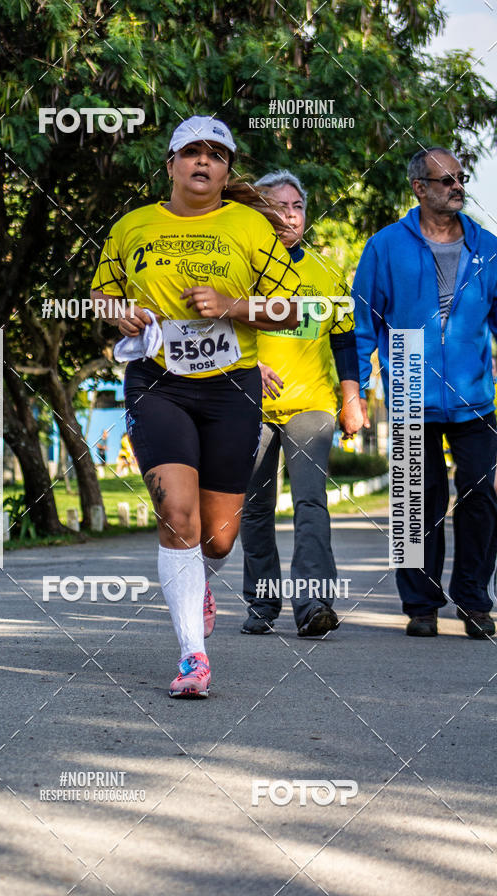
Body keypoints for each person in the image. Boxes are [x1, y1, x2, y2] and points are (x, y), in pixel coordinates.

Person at [90, 116, 302, 696]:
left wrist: (233, 304)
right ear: (171, 163)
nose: (202, 163)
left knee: (219, 538)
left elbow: (292, 311)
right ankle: (192, 656)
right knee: (176, 515)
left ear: (227, 169)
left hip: (232, 387)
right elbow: (100, 293)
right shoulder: (133, 227)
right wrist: (117, 313)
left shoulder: (251, 227)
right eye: (191, 153)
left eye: (216, 155)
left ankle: (198, 582)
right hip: (157, 382)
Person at [354, 147, 497, 639]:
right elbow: (362, 327)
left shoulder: (489, 247)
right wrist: (355, 393)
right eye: (445, 180)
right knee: (416, 501)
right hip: (412, 389)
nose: (457, 186)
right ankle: (420, 604)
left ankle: (475, 601)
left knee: (481, 496)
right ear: (419, 188)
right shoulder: (385, 246)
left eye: (460, 177)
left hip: (476, 398)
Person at [240, 171, 363, 637]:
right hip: (250, 405)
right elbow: (219, 329)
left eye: (297, 206)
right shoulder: (243, 267)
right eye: (279, 206)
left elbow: (345, 340)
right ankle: (262, 603)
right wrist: (247, 370)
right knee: (254, 506)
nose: (289, 215)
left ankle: (313, 605)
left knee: (310, 500)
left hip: (311, 404)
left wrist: (352, 399)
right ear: (260, 211)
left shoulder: (325, 271)